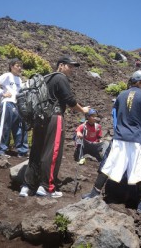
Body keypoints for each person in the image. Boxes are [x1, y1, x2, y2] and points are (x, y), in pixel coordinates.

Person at [82, 70, 141, 215]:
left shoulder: (121, 95)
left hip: (120, 136)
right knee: (139, 169)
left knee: (108, 164)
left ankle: (94, 193)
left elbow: (115, 113)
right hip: (137, 138)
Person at [20, 55, 90, 198]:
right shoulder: (60, 78)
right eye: (69, 66)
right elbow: (70, 101)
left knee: (36, 151)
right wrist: (83, 110)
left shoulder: (46, 78)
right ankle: (46, 187)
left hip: (39, 119)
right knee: (52, 152)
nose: (71, 70)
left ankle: (27, 186)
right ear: (61, 65)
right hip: (54, 117)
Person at [0, 58, 28, 158]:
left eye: (21, 66)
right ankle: (0, 150)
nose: (20, 68)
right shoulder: (7, 75)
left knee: (20, 128)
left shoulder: (19, 80)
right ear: (11, 66)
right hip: (7, 103)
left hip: (18, 105)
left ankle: (22, 151)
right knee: (4, 126)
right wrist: (2, 93)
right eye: (17, 66)